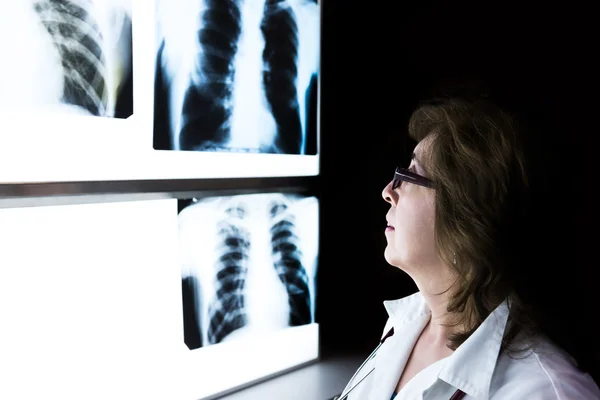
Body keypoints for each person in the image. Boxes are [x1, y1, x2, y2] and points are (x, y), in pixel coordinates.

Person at [335, 94, 600, 399]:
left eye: (409, 175)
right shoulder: (404, 326)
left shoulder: (545, 391)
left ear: (468, 217)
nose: (388, 192)